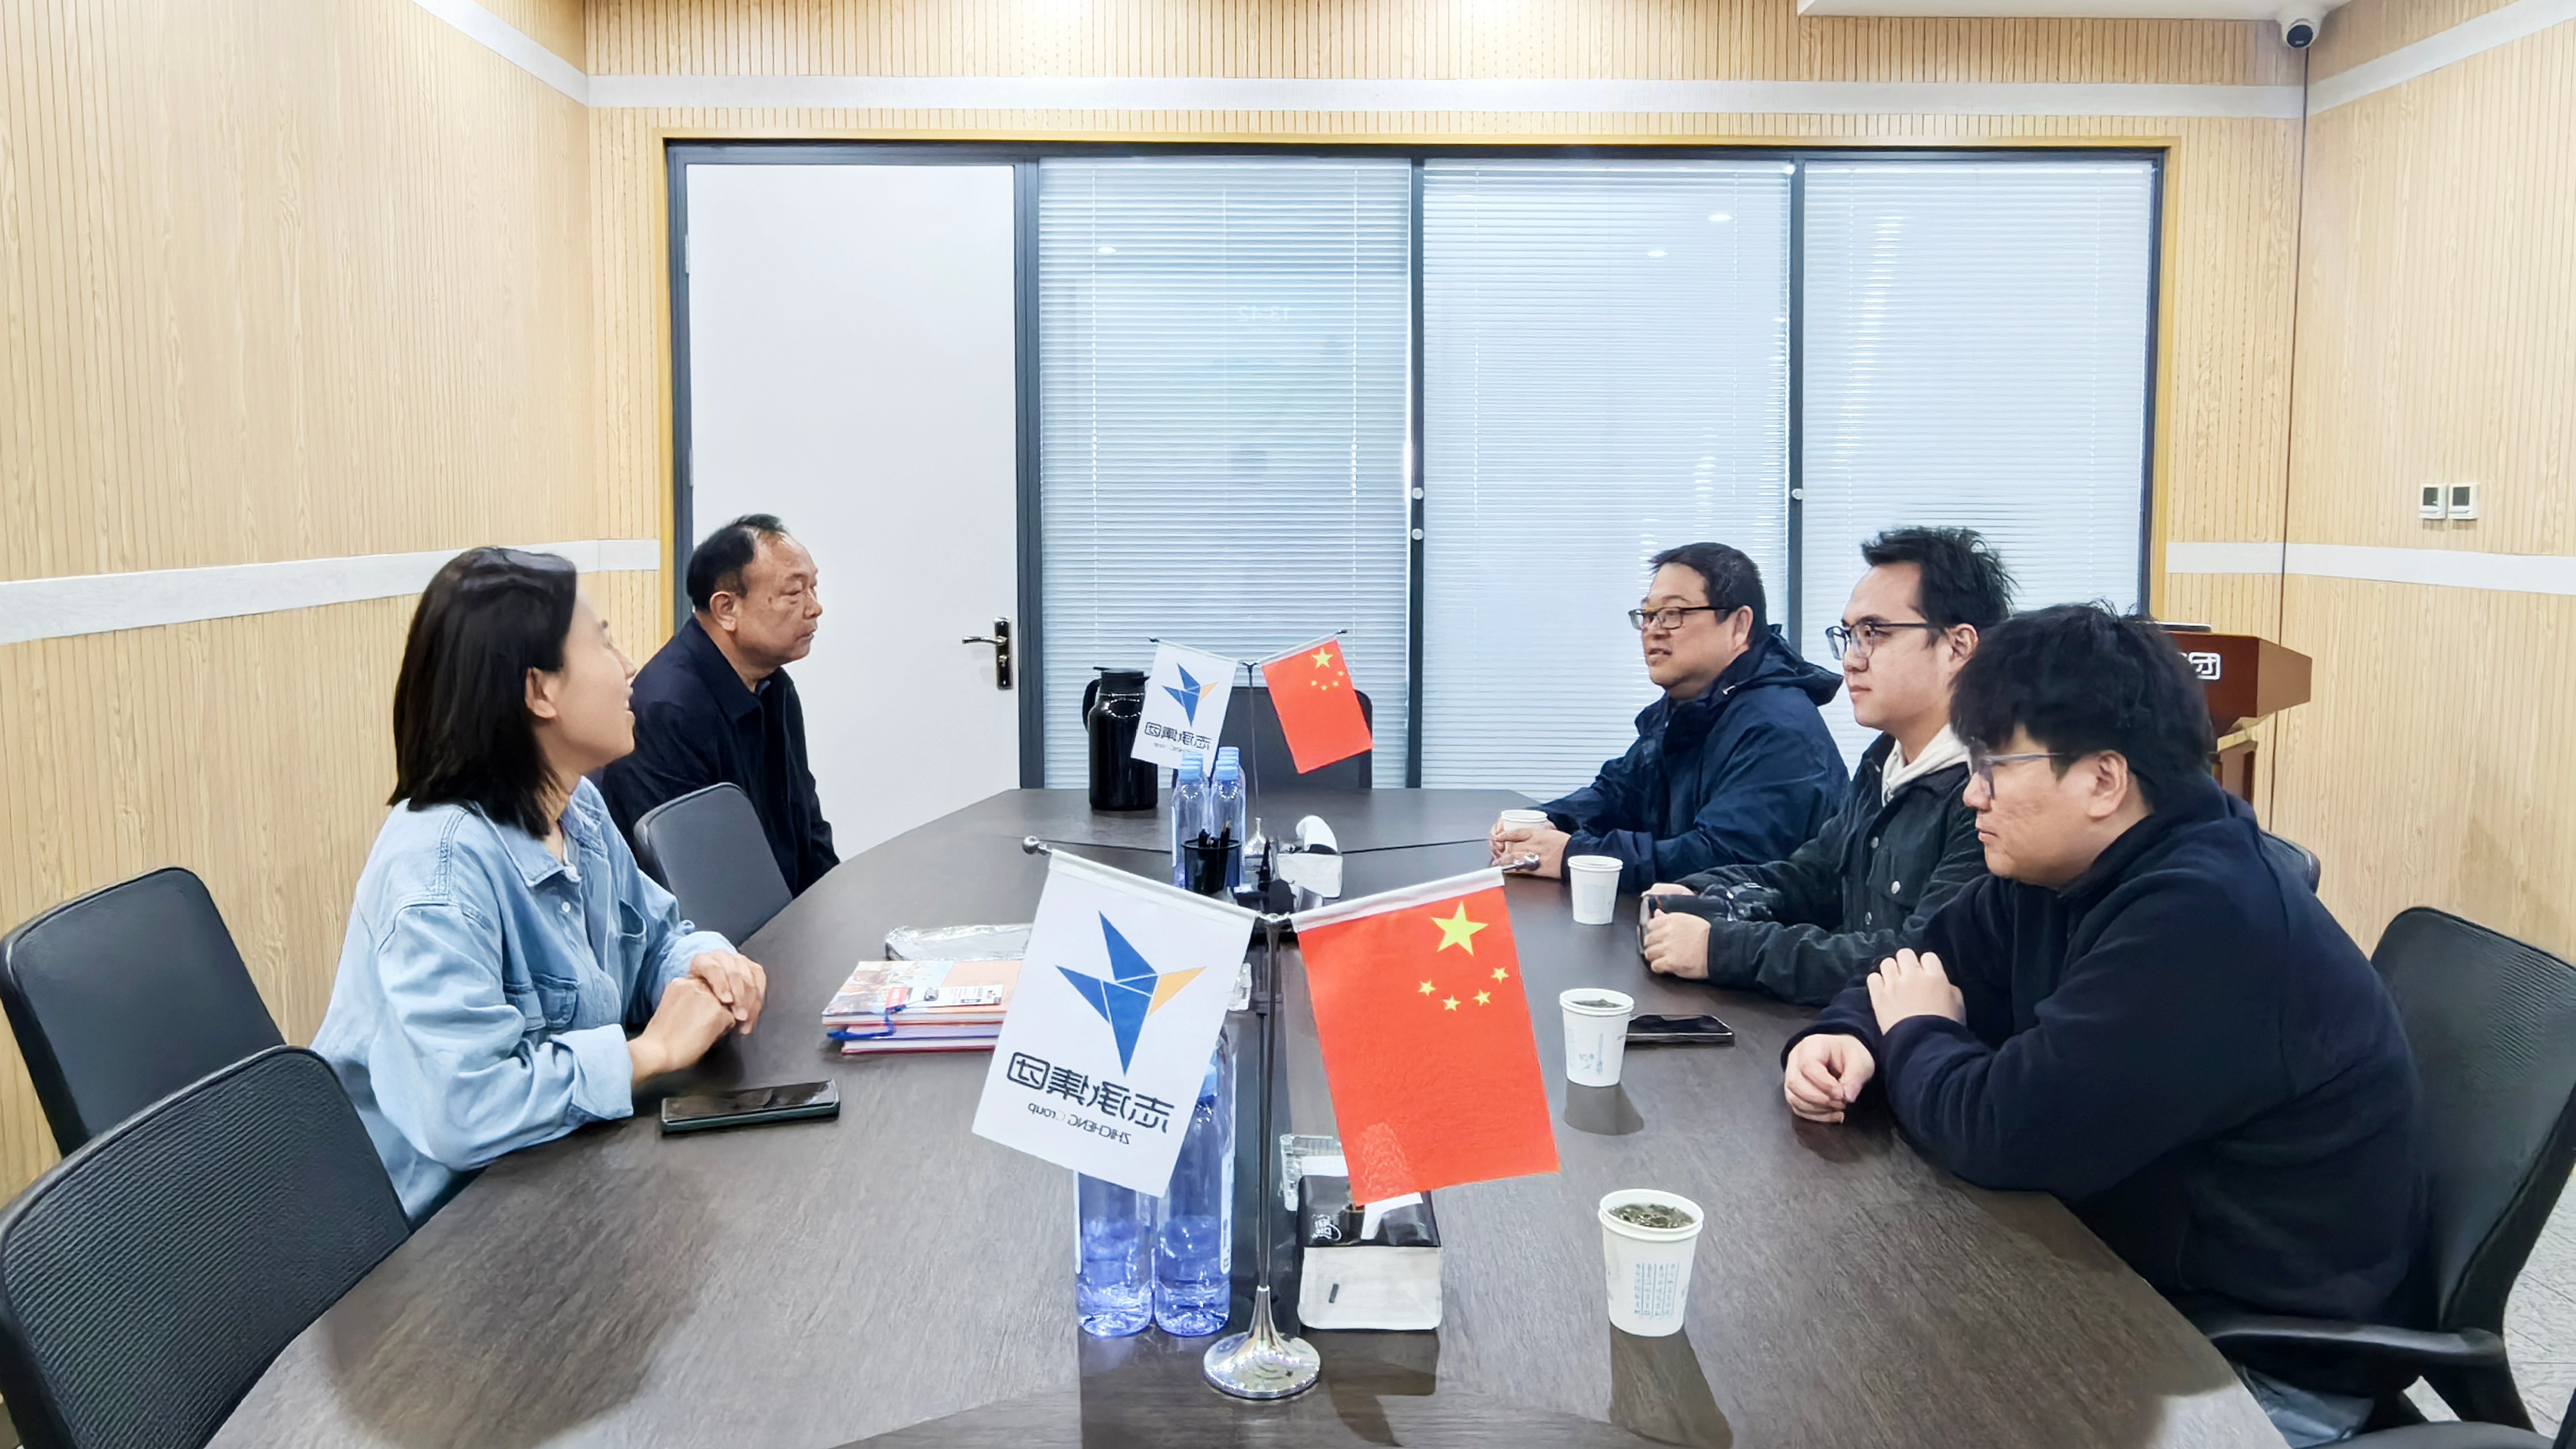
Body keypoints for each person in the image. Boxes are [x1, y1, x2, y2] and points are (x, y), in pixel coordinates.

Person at [1781, 604, 2419, 1444]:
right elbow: (1913, 965)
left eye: (1993, 766)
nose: (1971, 793)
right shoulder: (2056, 866)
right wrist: (1843, 1035)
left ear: (2101, 780)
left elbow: (2005, 1131)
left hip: (2244, 1362)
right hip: (2118, 1276)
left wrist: (1913, 1033)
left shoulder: (2203, 917)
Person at [314, 548, 770, 1222]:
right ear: (540, 691)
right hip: (442, 1232)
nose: (629, 668)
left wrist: (705, 962)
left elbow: (654, 937)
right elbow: (466, 1110)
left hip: (562, 1173)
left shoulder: (576, 805)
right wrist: (648, 1052)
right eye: (604, 642)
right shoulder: (438, 872)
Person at [1640, 527, 2008, 1005]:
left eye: (1874, 634)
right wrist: (1703, 892)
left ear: (1957, 647)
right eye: (1849, 636)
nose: (1851, 660)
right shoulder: (1883, 761)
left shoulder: (1990, 793)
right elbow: (1811, 877)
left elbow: (1916, 959)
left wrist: (1723, 949)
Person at [1491, 542, 1845, 894]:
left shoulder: (1778, 727)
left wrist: (1574, 855)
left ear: (1739, 625)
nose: (1653, 629)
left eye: (1674, 613)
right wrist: (1548, 822)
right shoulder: (1689, 705)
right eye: (1648, 615)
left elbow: (1724, 858)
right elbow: (1619, 793)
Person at [601, 514, 837, 895]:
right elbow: (696, 881)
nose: (815, 608)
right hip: (725, 924)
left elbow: (808, 826)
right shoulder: (668, 709)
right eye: (794, 593)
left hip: (787, 914)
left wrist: (832, 904)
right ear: (727, 608)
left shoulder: (774, 686)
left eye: (813, 588)